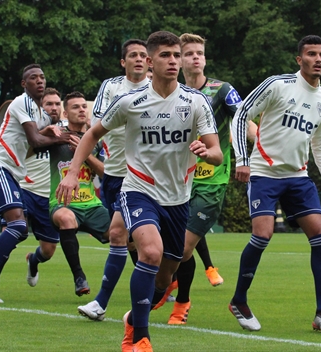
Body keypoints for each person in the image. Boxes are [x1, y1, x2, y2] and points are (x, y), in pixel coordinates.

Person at [56, 31, 222, 352]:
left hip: (178, 199)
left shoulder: (196, 101)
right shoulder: (130, 101)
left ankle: (134, 318)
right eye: (165, 55)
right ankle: (140, 338)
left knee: (164, 280)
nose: (173, 61)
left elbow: (216, 152)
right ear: (149, 61)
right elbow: (92, 134)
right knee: (149, 252)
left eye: (177, 55)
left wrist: (206, 151)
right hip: (138, 190)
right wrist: (74, 172)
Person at [229, 35, 321, 333]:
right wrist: (242, 158)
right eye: (311, 54)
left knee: (319, 234)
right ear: (299, 59)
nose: (318, 59)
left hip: (298, 177)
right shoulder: (278, 85)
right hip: (264, 173)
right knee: (263, 234)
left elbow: (320, 145)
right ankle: (239, 301)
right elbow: (241, 113)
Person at [162, 32, 257, 325]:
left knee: (182, 248)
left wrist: (258, 149)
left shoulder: (222, 90)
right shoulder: (171, 91)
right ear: (179, 59)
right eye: (188, 53)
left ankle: (181, 302)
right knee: (168, 247)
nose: (194, 58)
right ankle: (173, 285)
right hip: (176, 181)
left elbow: (243, 120)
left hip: (211, 181)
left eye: (199, 53)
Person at [0, 64, 71, 303]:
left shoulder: (39, 114)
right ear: (24, 84)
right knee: (18, 227)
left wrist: (53, 133)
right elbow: (35, 140)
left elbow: (36, 143)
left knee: (17, 231)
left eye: (42, 77)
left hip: (10, 172)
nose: (39, 81)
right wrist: (63, 137)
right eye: (33, 78)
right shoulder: (23, 102)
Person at [77, 38, 150, 321]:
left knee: (122, 236)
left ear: (149, 61)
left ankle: (103, 303)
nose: (138, 60)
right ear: (123, 62)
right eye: (133, 55)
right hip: (114, 173)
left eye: (143, 55)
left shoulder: (157, 89)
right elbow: (99, 123)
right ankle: (158, 288)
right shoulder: (111, 87)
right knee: (123, 237)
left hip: (143, 175)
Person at [49, 91, 109, 296]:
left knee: (125, 234)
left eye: (84, 106)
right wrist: (46, 132)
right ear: (65, 113)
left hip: (92, 205)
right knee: (66, 219)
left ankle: (156, 285)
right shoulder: (57, 137)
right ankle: (79, 277)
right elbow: (30, 148)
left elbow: (105, 174)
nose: (82, 110)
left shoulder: (96, 139)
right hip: (62, 203)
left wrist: (84, 154)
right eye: (75, 107)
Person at [22, 88, 67, 289]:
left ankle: (33, 260)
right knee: (14, 230)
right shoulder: (30, 128)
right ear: (40, 107)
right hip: (24, 188)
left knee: (48, 251)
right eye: (49, 104)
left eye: (57, 104)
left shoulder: (67, 131)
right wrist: (40, 135)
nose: (54, 107)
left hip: (50, 198)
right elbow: (18, 152)